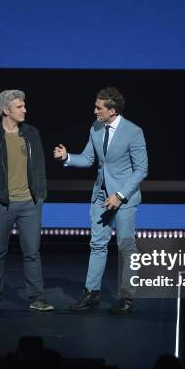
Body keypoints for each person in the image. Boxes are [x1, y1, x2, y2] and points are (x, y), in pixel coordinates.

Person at [54, 87, 148, 315]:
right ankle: (91, 294)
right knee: (97, 245)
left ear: (112, 111)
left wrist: (120, 195)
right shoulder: (96, 128)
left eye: (99, 108)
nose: (94, 111)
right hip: (100, 196)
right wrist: (67, 158)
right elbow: (88, 159)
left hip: (124, 198)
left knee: (126, 248)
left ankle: (127, 299)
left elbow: (141, 169)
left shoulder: (133, 132)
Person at [0, 89, 53, 313]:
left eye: (24, 105)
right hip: (1, 204)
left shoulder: (31, 133)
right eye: (20, 106)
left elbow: (39, 166)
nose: (25, 110)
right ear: (6, 110)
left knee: (32, 253)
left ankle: (37, 298)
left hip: (30, 204)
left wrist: (40, 197)